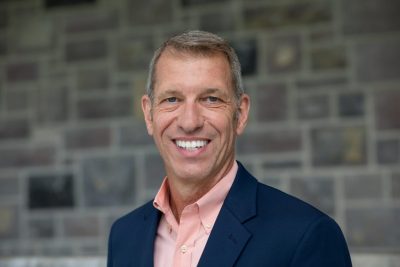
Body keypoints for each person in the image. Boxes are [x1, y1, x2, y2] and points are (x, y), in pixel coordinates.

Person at [107, 30, 352, 267]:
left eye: (211, 99)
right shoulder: (125, 236)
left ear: (241, 113)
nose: (189, 122)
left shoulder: (306, 236)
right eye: (172, 99)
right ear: (149, 115)